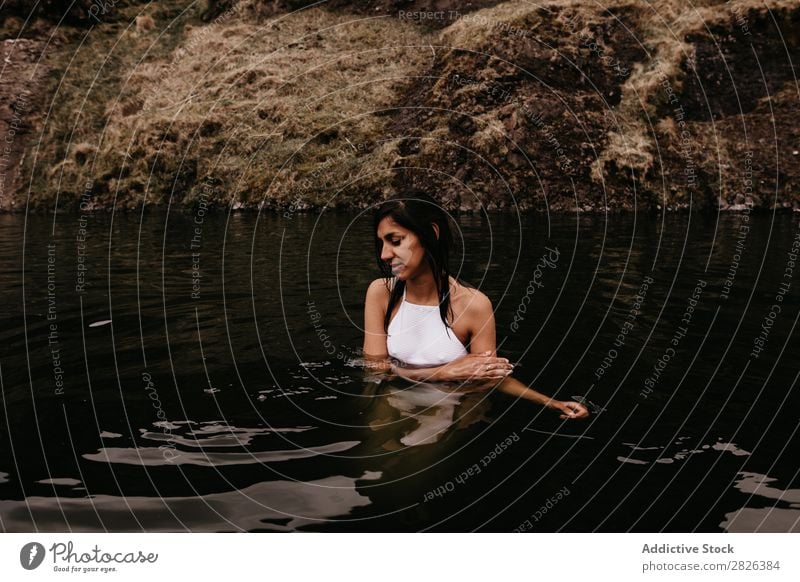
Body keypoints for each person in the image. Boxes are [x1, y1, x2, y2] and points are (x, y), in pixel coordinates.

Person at [362, 192, 589, 420]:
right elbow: (374, 368)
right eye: (381, 243)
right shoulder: (381, 293)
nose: (384, 254)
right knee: (378, 451)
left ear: (431, 233)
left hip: (449, 409)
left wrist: (551, 403)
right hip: (391, 400)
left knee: (418, 452)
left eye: (395, 241)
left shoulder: (474, 305)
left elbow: (489, 377)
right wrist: (440, 373)